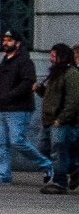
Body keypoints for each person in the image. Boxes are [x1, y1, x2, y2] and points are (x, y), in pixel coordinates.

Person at [0, 29, 52, 185]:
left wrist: (9, 95)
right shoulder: (6, 60)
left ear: (18, 43)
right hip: (3, 109)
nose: (5, 43)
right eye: (4, 40)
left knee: (18, 141)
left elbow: (27, 82)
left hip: (19, 109)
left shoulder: (24, 61)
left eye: (9, 40)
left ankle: (49, 165)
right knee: (2, 143)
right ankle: (3, 176)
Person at [38, 44, 79, 194]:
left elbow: (74, 100)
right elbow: (51, 96)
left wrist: (62, 118)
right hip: (49, 120)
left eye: (54, 55)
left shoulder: (71, 73)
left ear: (62, 56)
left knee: (58, 150)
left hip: (61, 121)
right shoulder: (55, 73)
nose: (51, 58)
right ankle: (75, 170)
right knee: (43, 149)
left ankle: (59, 182)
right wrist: (40, 90)